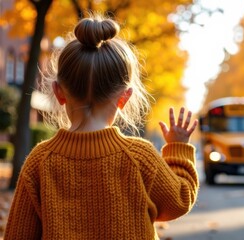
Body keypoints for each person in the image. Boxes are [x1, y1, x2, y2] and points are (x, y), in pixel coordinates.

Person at [4, 13, 199, 240]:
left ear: (58, 92)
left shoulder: (39, 161)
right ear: (124, 98)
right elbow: (179, 200)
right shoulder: (139, 157)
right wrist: (178, 149)